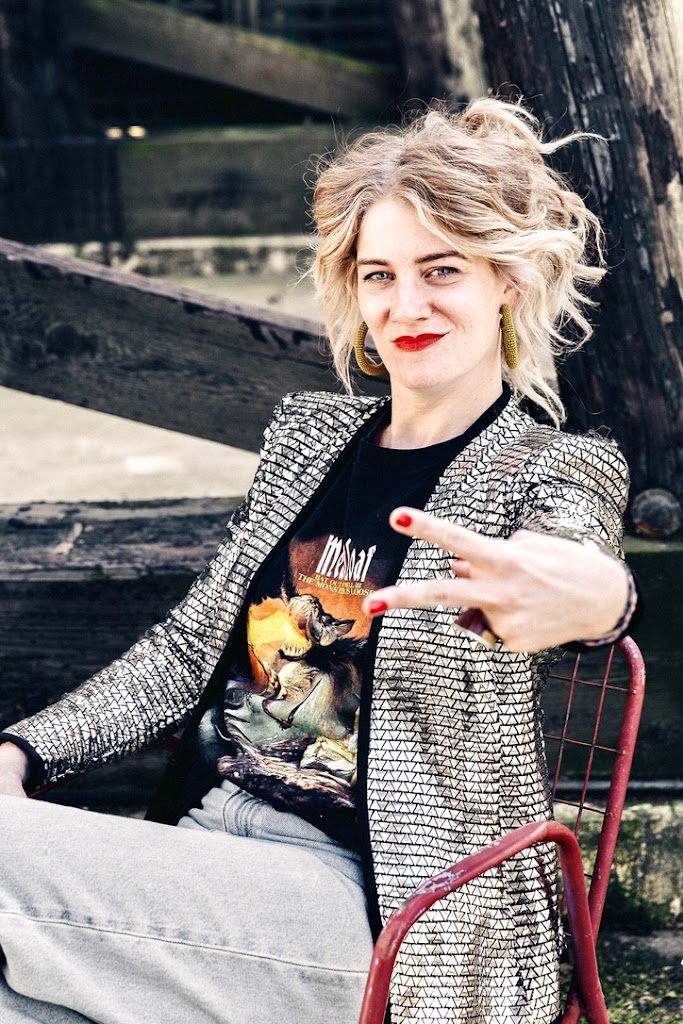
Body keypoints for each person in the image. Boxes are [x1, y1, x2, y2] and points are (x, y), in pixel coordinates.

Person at [0, 97, 636, 1024]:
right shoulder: (309, 439)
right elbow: (187, 650)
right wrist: (23, 748)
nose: (405, 305)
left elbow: (581, 571)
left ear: (504, 280)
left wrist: (592, 598)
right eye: (379, 274)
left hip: (384, 915)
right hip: (208, 854)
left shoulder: (549, 468)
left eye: (441, 269)